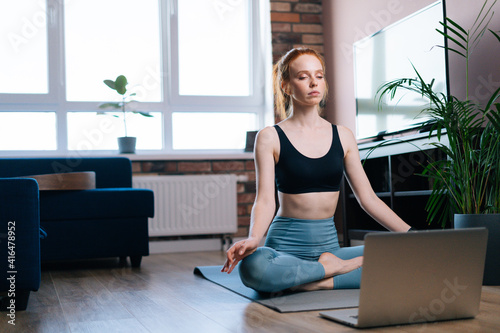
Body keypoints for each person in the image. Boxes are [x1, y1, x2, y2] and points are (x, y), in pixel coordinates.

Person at [221, 48, 412, 293]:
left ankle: (312, 280)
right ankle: (332, 271)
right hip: (284, 252)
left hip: (330, 250)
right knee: (254, 268)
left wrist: (411, 235)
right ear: (287, 86)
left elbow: (368, 199)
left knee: (403, 255)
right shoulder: (270, 137)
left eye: (319, 75)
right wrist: (254, 238)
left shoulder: (343, 135)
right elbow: (266, 200)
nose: (313, 82)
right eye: (302, 77)